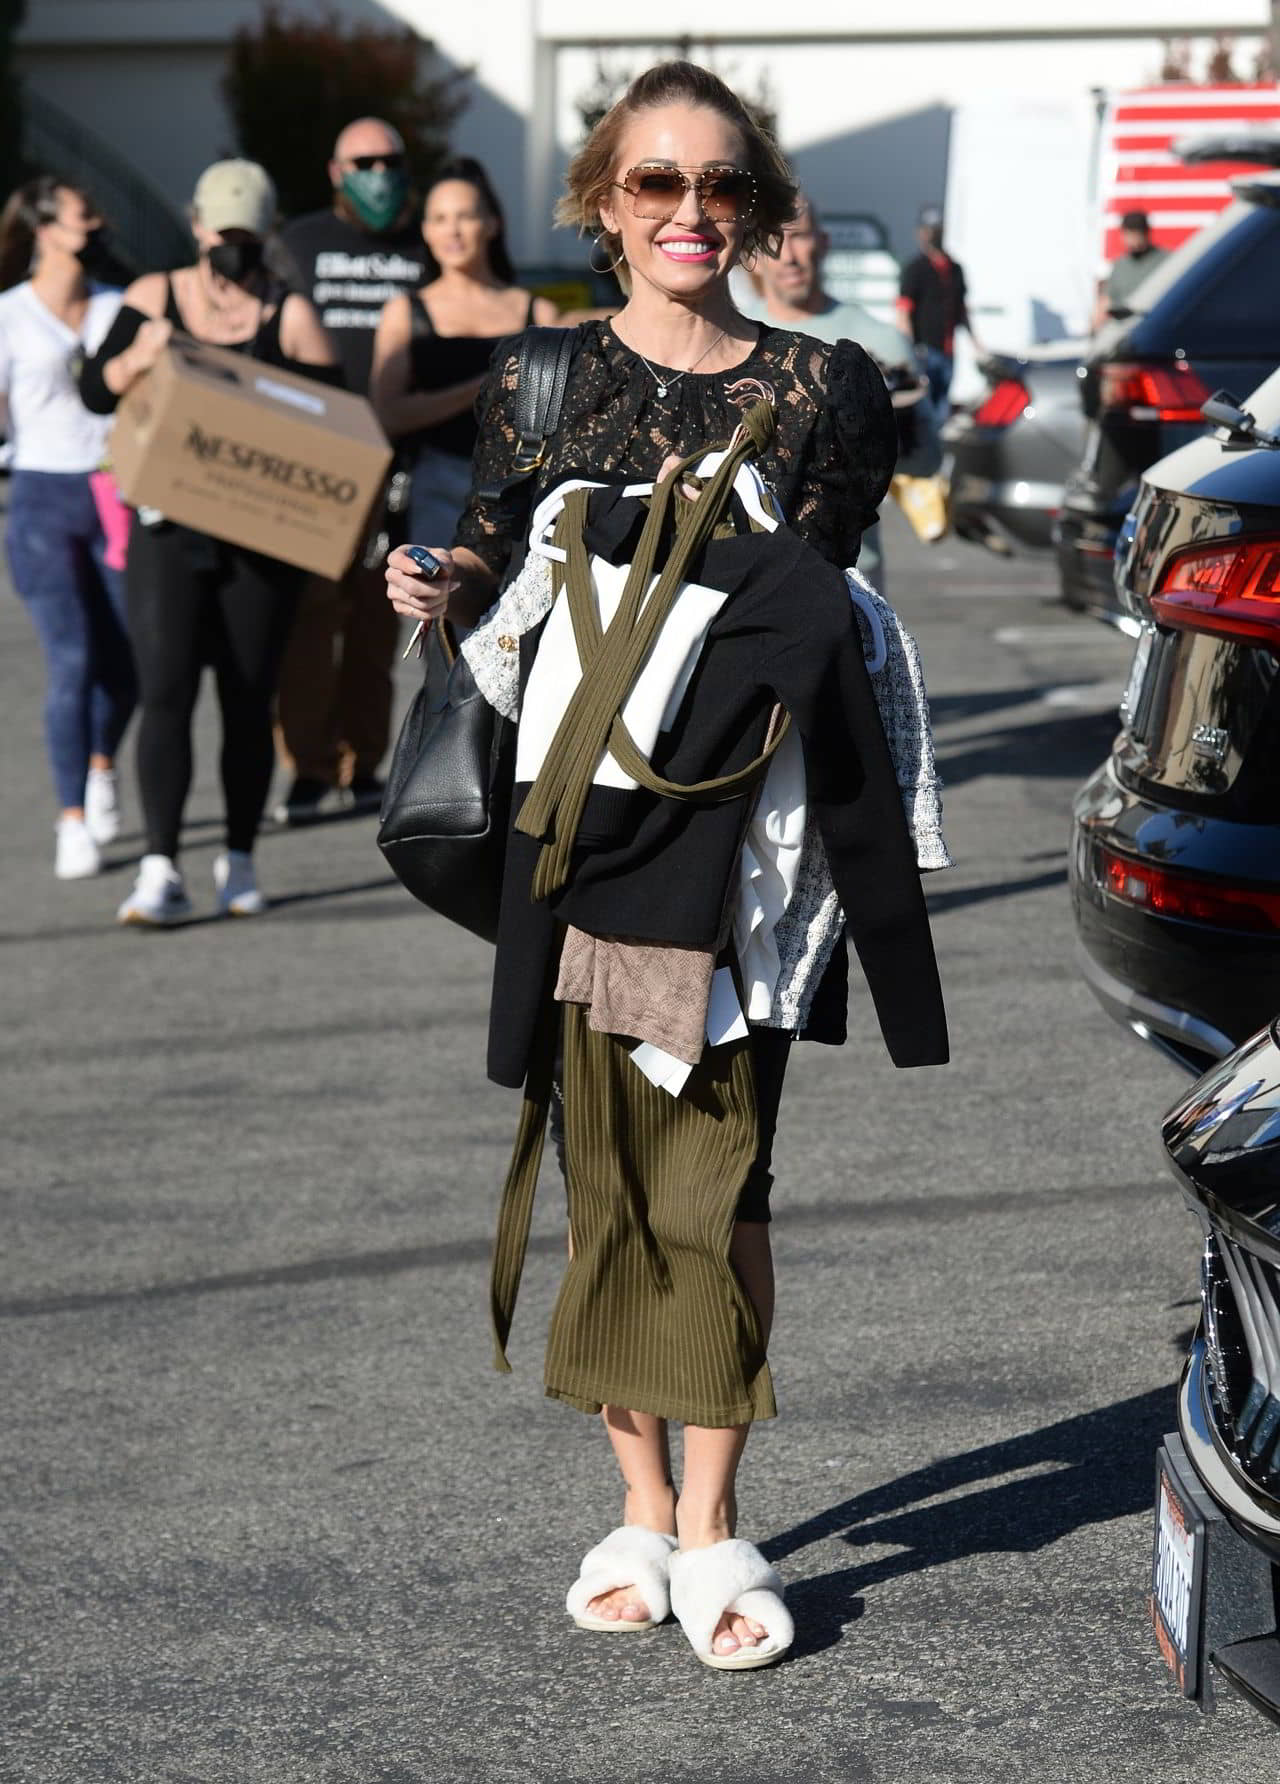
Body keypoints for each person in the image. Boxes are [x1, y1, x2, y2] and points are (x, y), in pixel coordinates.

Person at [385, 61, 946, 1668]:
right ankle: (640, 1503)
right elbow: (491, 536)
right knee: (605, 1168)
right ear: (602, 205)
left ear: (758, 208)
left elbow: (831, 603)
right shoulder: (545, 379)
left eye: (720, 187)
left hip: (751, 848)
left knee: (727, 1168)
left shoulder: (830, 385)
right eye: (656, 185)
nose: (691, 214)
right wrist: (438, 578)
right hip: (589, 834)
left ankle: (714, 1522)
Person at [79, 159, 341, 926]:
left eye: (245, 237)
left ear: (265, 234)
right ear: (196, 227)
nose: (230, 250)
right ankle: (160, 866)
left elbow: (343, 425)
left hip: (260, 539)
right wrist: (142, 353)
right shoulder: (153, 296)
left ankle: (238, 857)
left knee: (247, 695)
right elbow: (95, 387)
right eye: (219, 234)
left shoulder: (287, 312)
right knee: (164, 689)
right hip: (166, 526)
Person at [270, 117, 430, 825]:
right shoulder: (298, 243)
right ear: (335, 170)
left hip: (400, 465)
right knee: (307, 628)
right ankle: (304, 767)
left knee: (374, 624)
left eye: (389, 160)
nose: (377, 172)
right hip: (310, 465)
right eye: (361, 161)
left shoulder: (427, 244)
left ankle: (362, 762)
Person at [0, 176, 136, 880]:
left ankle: (100, 764)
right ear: (46, 229)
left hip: (116, 493)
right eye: (85, 216)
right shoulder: (10, 316)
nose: (98, 224)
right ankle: (71, 818)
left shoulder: (117, 306)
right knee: (73, 658)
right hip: (42, 498)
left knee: (130, 664)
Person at [739, 191, 940, 590]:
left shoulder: (879, 343)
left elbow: (926, 462)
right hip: (748, 574)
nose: (789, 255)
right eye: (772, 241)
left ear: (824, 242)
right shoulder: (729, 341)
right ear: (753, 255)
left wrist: (897, 419)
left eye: (799, 236)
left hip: (848, 578)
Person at [370, 156, 559, 548]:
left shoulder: (537, 313)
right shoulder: (405, 314)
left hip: (520, 488)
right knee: (431, 604)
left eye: (465, 216)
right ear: (425, 230)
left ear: (492, 223)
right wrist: (486, 386)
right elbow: (386, 415)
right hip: (433, 489)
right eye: (438, 218)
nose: (451, 231)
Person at [897, 206, 978, 414]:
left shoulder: (955, 269)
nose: (931, 235)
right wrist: (908, 348)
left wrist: (976, 343)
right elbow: (903, 312)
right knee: (925, 409)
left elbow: (962, 309)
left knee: (942, 408)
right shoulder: (916, 269)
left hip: (948, 351)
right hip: (925, 351)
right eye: (928, 229)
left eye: (936, 229)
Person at [1093, 208, 1167, 329]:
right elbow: (1106, 302)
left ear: (1146, 233)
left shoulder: (1164, 260)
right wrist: (1094, 328)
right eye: (1129, 234)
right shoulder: (1119, 266)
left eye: (1137, 234)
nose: (1134, 241)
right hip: (1125, 331)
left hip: (1155, 327)